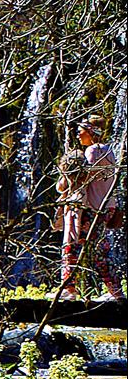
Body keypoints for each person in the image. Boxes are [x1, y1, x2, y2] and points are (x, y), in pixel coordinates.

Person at [55, 115, 124, 301]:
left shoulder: (92, 151)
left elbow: (81, 180)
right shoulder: (109, 151)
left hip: (90, 209)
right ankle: (117, 292)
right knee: (100, 253)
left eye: (81, 131)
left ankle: (68, 289)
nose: (78, 134)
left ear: (92, 132)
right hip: (106, 207)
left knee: (71, 247)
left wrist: (67, 171)